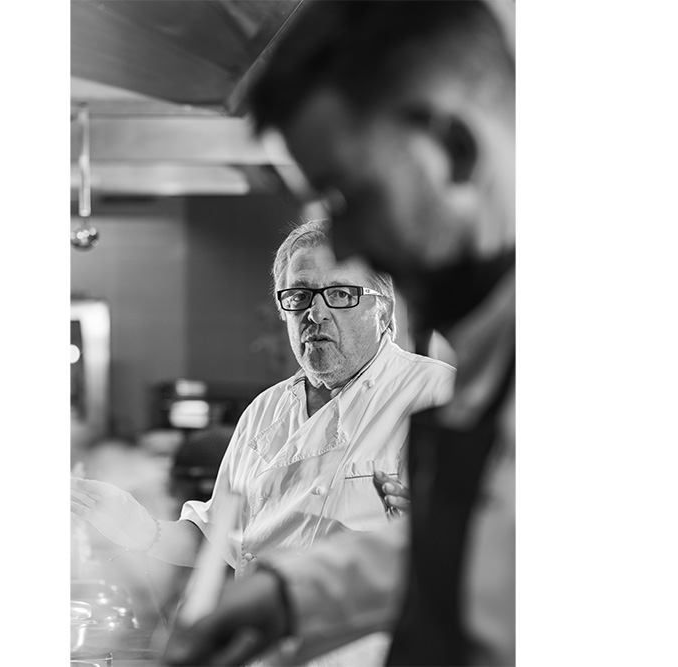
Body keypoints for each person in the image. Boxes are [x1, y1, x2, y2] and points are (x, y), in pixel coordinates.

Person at [164, 1, 515, 665]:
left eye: (353, 195)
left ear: (454, 150)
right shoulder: (489, 349)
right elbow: (489, 547)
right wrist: (287, 595)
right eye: (300, 297)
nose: (348, 245)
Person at [71, 218, 455, 664]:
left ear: (384, 311)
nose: (316, 313)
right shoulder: (265, 411)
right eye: (299, 296)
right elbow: (222, 539)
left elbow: (491, 558)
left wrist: (437, 537)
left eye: (340, 294)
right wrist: (140, 527)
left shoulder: (435, 394)